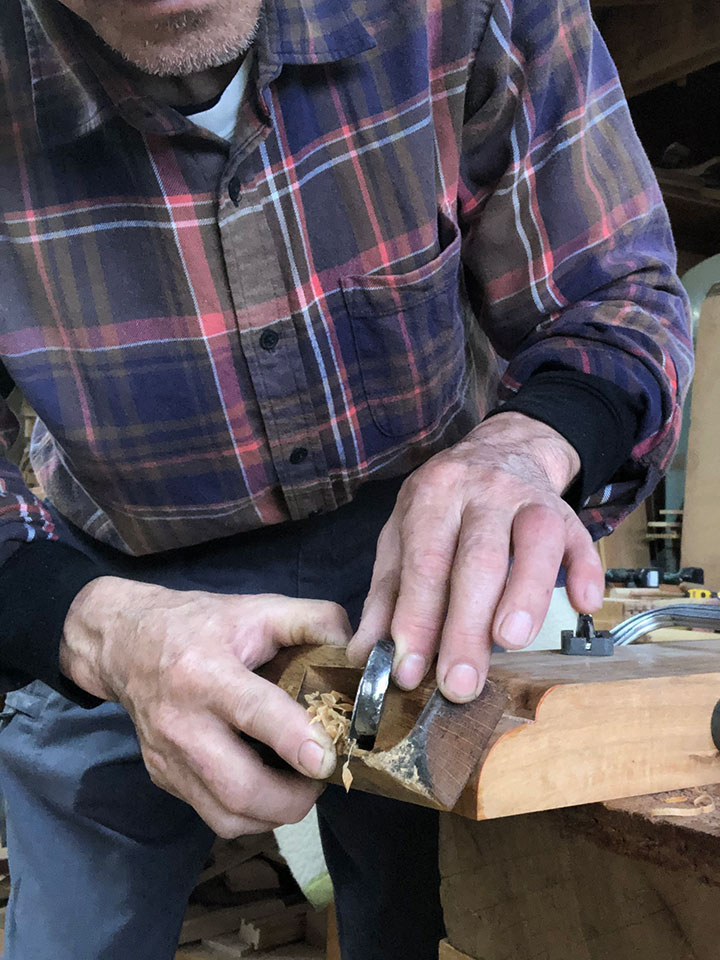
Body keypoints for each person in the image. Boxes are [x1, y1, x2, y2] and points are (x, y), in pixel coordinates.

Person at [0, 0, 691, 957]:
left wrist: (526, 446)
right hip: (110, 575)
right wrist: (90, 629)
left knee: (436, 919)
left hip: (415, 577)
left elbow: (617, 292)